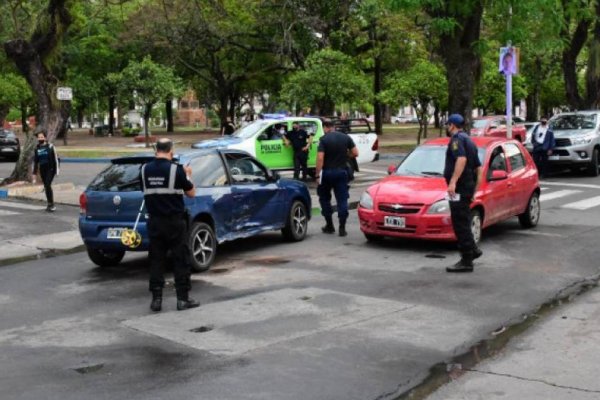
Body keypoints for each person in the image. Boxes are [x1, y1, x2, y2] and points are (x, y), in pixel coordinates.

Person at [141, 138, 198, 312]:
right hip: (174, 222)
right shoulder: (177, 170)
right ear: (171, 151)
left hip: (155, 222)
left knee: (156, 260)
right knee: (180, 259)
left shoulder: (144, 170)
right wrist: (188, 174)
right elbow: (191, 193)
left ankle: (156, 300)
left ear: (156, 150)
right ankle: (182, 299)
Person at [444, 114, 483, 273]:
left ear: (452, 125)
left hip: (459, 189)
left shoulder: (456, 140)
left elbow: (461, 159)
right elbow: (478, 169)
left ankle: (467, 260)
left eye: (447, 125)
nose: (447, 127)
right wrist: (474, 190)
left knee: (459, 223)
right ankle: (473, 250)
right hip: (466, 188)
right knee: (464, 220)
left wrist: (453, 181)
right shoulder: (470, 141)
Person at [315, 120, 358, 237]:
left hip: (327, 173)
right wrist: (346, 155)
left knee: (324, 199)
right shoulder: (345, 137)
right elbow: (355, 153)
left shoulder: (323, 140)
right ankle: (342, 227)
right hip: (341, 172)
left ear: (325, 127)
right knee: (342, 200)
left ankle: (329, 225)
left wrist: (317, 174)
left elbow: (320, 159)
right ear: (334, 127)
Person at [32, 131, 59, 212]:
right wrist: (34, 173)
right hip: (42, 170)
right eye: (39, 137)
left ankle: (52, 204)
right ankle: (49, 203)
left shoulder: (50, 147)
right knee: (46, 186)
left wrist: (57, 171)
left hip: (50, 169)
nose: (40, 138)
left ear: (45, 138)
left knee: (47, 184)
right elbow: (36, 161)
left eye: (42, 137)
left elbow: (56, 159)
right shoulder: (37, 148)